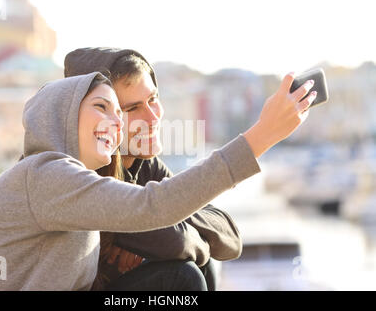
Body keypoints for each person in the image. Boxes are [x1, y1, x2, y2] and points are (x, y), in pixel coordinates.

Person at [0, 66, 316, 290]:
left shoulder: (75, 188)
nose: (115, 122)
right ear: (60, 116)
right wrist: (263, 135)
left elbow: (216, 234)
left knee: (185, 276)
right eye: (100, 107)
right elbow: (153, 206)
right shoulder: (43, 173)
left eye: (118, 114)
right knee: (182, 280)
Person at [63, 47, 316, 291]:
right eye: (132, 108)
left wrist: (174, 219)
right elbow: (178, 242)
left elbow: (230, 238)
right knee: (183, 274)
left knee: (196, 264)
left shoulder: (144, 166)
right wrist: (185, 233)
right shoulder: (81, 175)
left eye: (153, 99)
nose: (153, 117)